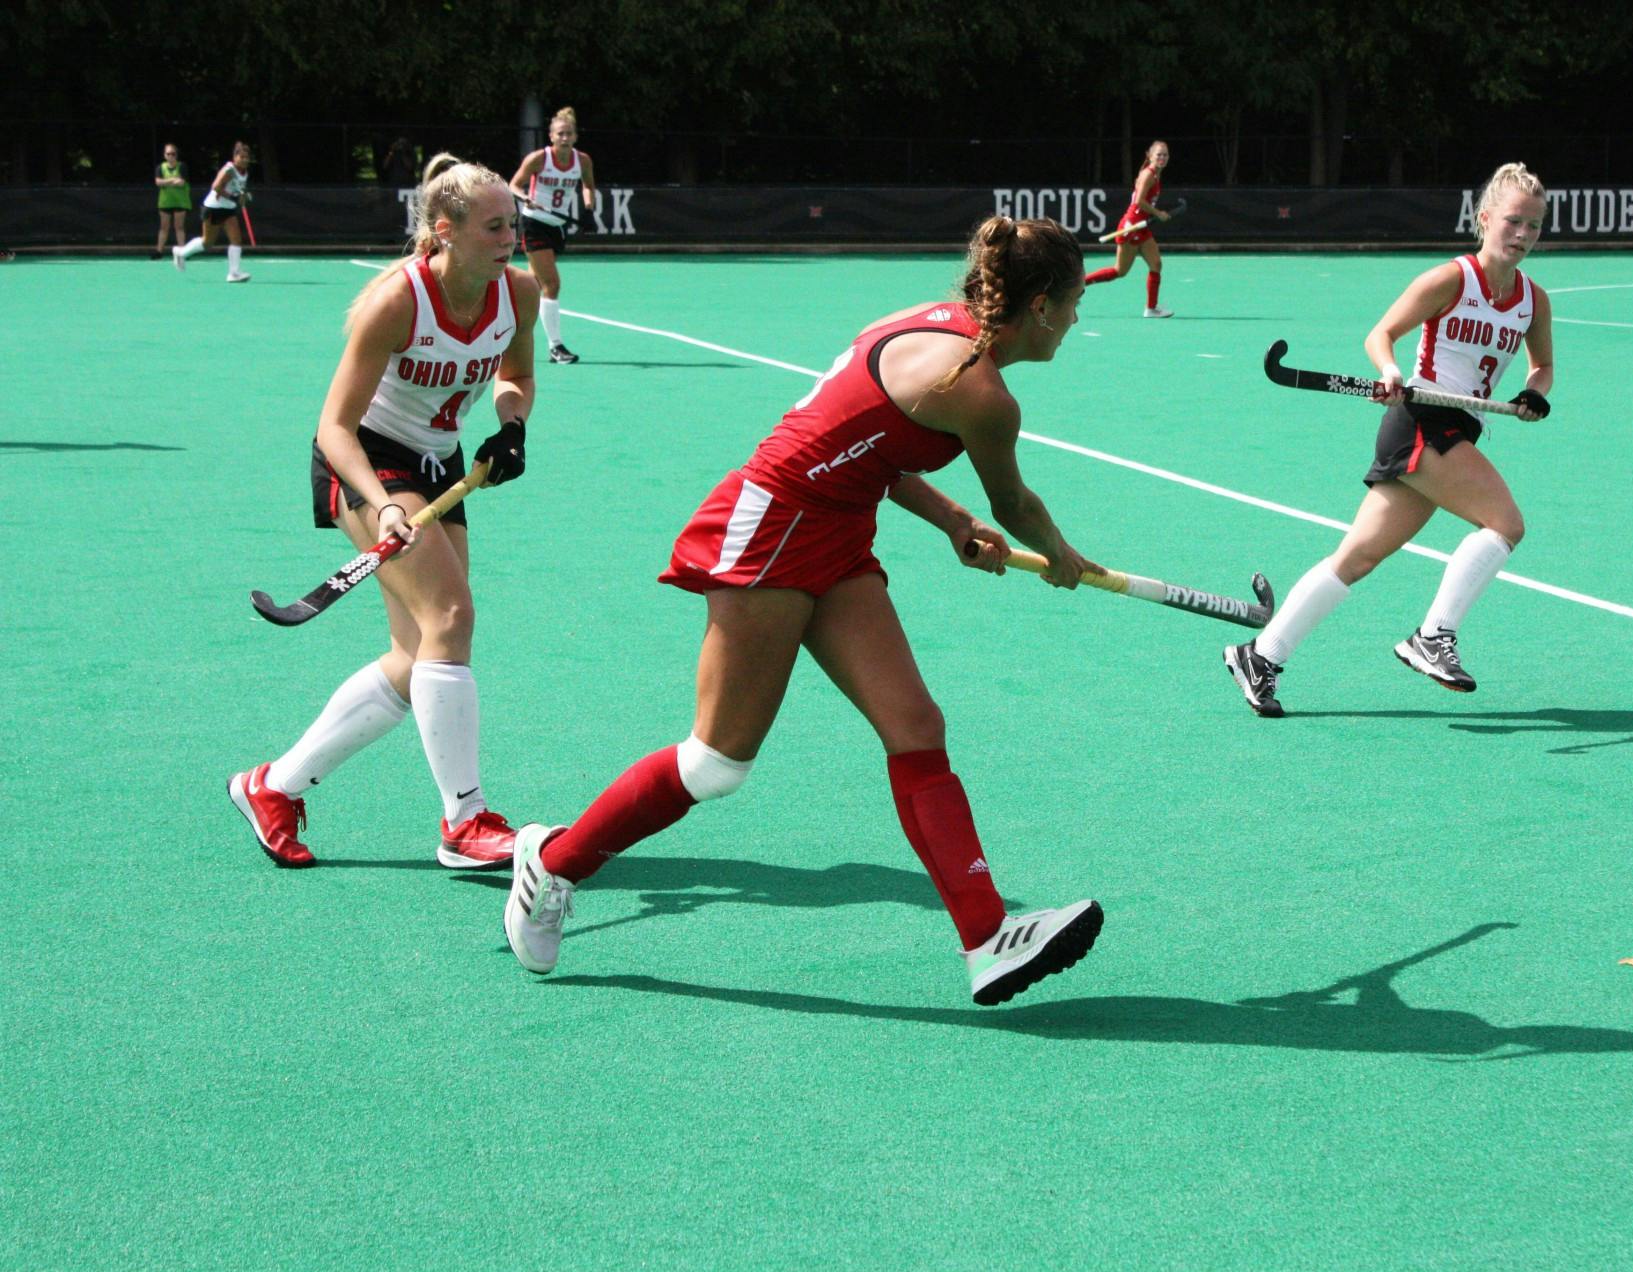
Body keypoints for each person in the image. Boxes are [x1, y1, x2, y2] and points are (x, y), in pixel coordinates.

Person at [505, 216, 1106, 1006]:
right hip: (772, 527)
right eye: (1072, 304)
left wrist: (953, 521)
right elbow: (1016, 501)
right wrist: (1060, 554)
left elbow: (875, 451)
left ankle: (987, 937)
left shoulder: (929, 326)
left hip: (838, 528)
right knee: (715, 762)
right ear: (1036, 307)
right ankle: (552, 863)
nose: (1074, 321)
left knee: (916, 728)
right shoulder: (984, 394)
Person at [228, 153, 540, 870]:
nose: (510, 237)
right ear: (444, 231)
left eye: (512, 223)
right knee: (451, 619)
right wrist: (380, 506)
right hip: (366, 462)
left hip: (440, 463)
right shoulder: (397, 302)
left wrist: (513, 424)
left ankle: (270, 787)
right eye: (494, 226)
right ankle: (464, 822)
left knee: (417, 654)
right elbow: (334, 426)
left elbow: (516, 375)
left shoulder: (515, 295)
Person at [1223, 163, 1554, 717]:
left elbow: (1541, 366)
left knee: (1357, 556)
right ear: (1486, 218)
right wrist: (1390, 369)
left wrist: (1534, 394)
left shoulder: (1532, 300)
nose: (1522, 236)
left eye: (1535, 226)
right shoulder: (1451, 279)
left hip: (1459, 426)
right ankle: (1434, 636)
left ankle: (1260, 655)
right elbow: (1382, 335)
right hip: (1422, 416)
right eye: (1513, 222)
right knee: (1505, 524)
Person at [508, 106, 596, 363]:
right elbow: (514, 184)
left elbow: (588, 187)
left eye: (569, 134)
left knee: (534, 284)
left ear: (575, 136)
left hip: (557, 226)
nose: (565, 138)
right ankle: (556, 347)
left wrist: (588, 210)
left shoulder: (583, 161)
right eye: (560, 134)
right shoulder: (539, 159)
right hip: (534, 222)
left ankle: (503, 315)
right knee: (552, 284)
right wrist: (526, 198)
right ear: (552, 136)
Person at [1082, 140, 1175, 318]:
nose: (1162, 158)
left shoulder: (1156, 174)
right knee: (1119, 271)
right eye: (1159, 155)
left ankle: (1151, 308)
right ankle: (1081, 284)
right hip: (1131, 226)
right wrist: (1158, 213)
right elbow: (1139, 201)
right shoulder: (1148, 175)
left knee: (1156, 264)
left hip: (1142, 227)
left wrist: (1154, 214)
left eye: (1165, 155)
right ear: (1150, 156)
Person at [172, 141, 253, 281]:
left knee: (236, 239)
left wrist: (245, 195)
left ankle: (233, 273)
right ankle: (181, 253)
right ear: (235, 157)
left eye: (247, 157)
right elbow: (216, 186)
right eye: (242, 157)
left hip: (228, 209)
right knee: (207, 242)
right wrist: (234, 197)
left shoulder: (244, 172)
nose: (245, 160)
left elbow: (238, 189)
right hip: (213, 207)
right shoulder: (229, 170)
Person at [153, 144, 191, 259]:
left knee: (179, 227)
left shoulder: (182, 166)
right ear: (165, 155)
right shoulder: (160, 168)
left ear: (176, 155)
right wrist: (173, 180)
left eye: (173, 154)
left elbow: (181, 182)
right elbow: (158, 182)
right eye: (168, 154)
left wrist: (166, 182)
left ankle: (183, 252)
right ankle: (159, 251)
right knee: (164, 227)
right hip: (165, 202)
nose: (171, 156)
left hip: (180, 202)